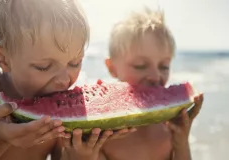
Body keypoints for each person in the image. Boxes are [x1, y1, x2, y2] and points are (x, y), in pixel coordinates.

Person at [0, 0, 134, 160]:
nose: (65, 79)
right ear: (2, 58)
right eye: (43, 66)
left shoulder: (64, 104)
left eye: (75, 62)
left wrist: (81, 154)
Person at [62, 7, 204, 160]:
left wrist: (181, 142)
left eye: (164, 66)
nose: (156, 76)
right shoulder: (101, 135)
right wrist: (82, 155)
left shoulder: (169, 129)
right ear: (112, 68)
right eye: (140, 66)